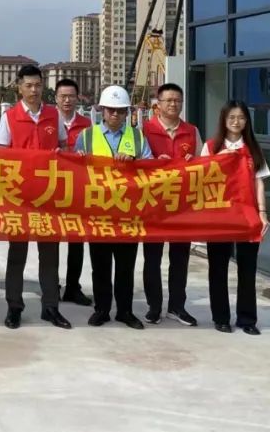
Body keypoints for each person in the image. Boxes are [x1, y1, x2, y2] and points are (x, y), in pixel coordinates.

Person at [74, 85, 153, 329]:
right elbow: (74, 171)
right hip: (98, 213)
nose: (115, 115)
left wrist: (134, 162)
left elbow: (152, 171)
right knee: (100, 265)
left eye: (120, 110)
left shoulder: (137, 137)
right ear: (102, 110)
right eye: (111, 110)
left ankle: (125, 311)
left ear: (127, 112)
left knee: (126, 266)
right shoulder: (87, 137)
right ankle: (102, 309)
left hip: (128, 213)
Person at [0, 64, 70, 330]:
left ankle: (51, 307)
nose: (34, 90)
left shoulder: (53, 115)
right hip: (20, 198)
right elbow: (1, 155)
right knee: (17, 254)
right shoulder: (10, 117)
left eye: (38, 85)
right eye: (28, 85)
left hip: (48, 196)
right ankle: (14, 307)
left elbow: (63, 146)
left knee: (50, 255)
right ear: (19, 88)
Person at [202, 101, 270, 335]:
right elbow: (199, 179)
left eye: (241, 117)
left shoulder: (253, 148)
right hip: (219, 217)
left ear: (247, 121)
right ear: (223, 120)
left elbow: (259, 182)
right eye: (231, 117)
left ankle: (247, 319)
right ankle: (221, 318)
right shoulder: (210, 147)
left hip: (246, 216)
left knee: (247, 269)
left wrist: (262, 213)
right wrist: (220, 158)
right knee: (218, 268)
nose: (236, 121)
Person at [140, 82, 202, 327]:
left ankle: (177, 306)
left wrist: (193, 162)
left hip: (181, 205)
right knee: (152, 258)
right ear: (158, 104)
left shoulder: (191, 131)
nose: (173, 104)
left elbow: (203, 165)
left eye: (177, 100)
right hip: (153, 203)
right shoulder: (145, 129)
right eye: (168, 100)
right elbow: (136, 164)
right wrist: (155, 162)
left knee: (180, 258)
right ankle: (154, 307)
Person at [55, 78, 92, 307]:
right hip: (52, 187)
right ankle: (51, 284)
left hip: (77, 188)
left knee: (76, 240)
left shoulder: (87, 124)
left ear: (77, 98)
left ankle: (72, 286)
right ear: (56, 98)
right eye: (63, 96)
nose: (67, 100)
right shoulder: (49, 120)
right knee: (50, 240)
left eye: (71, 96)